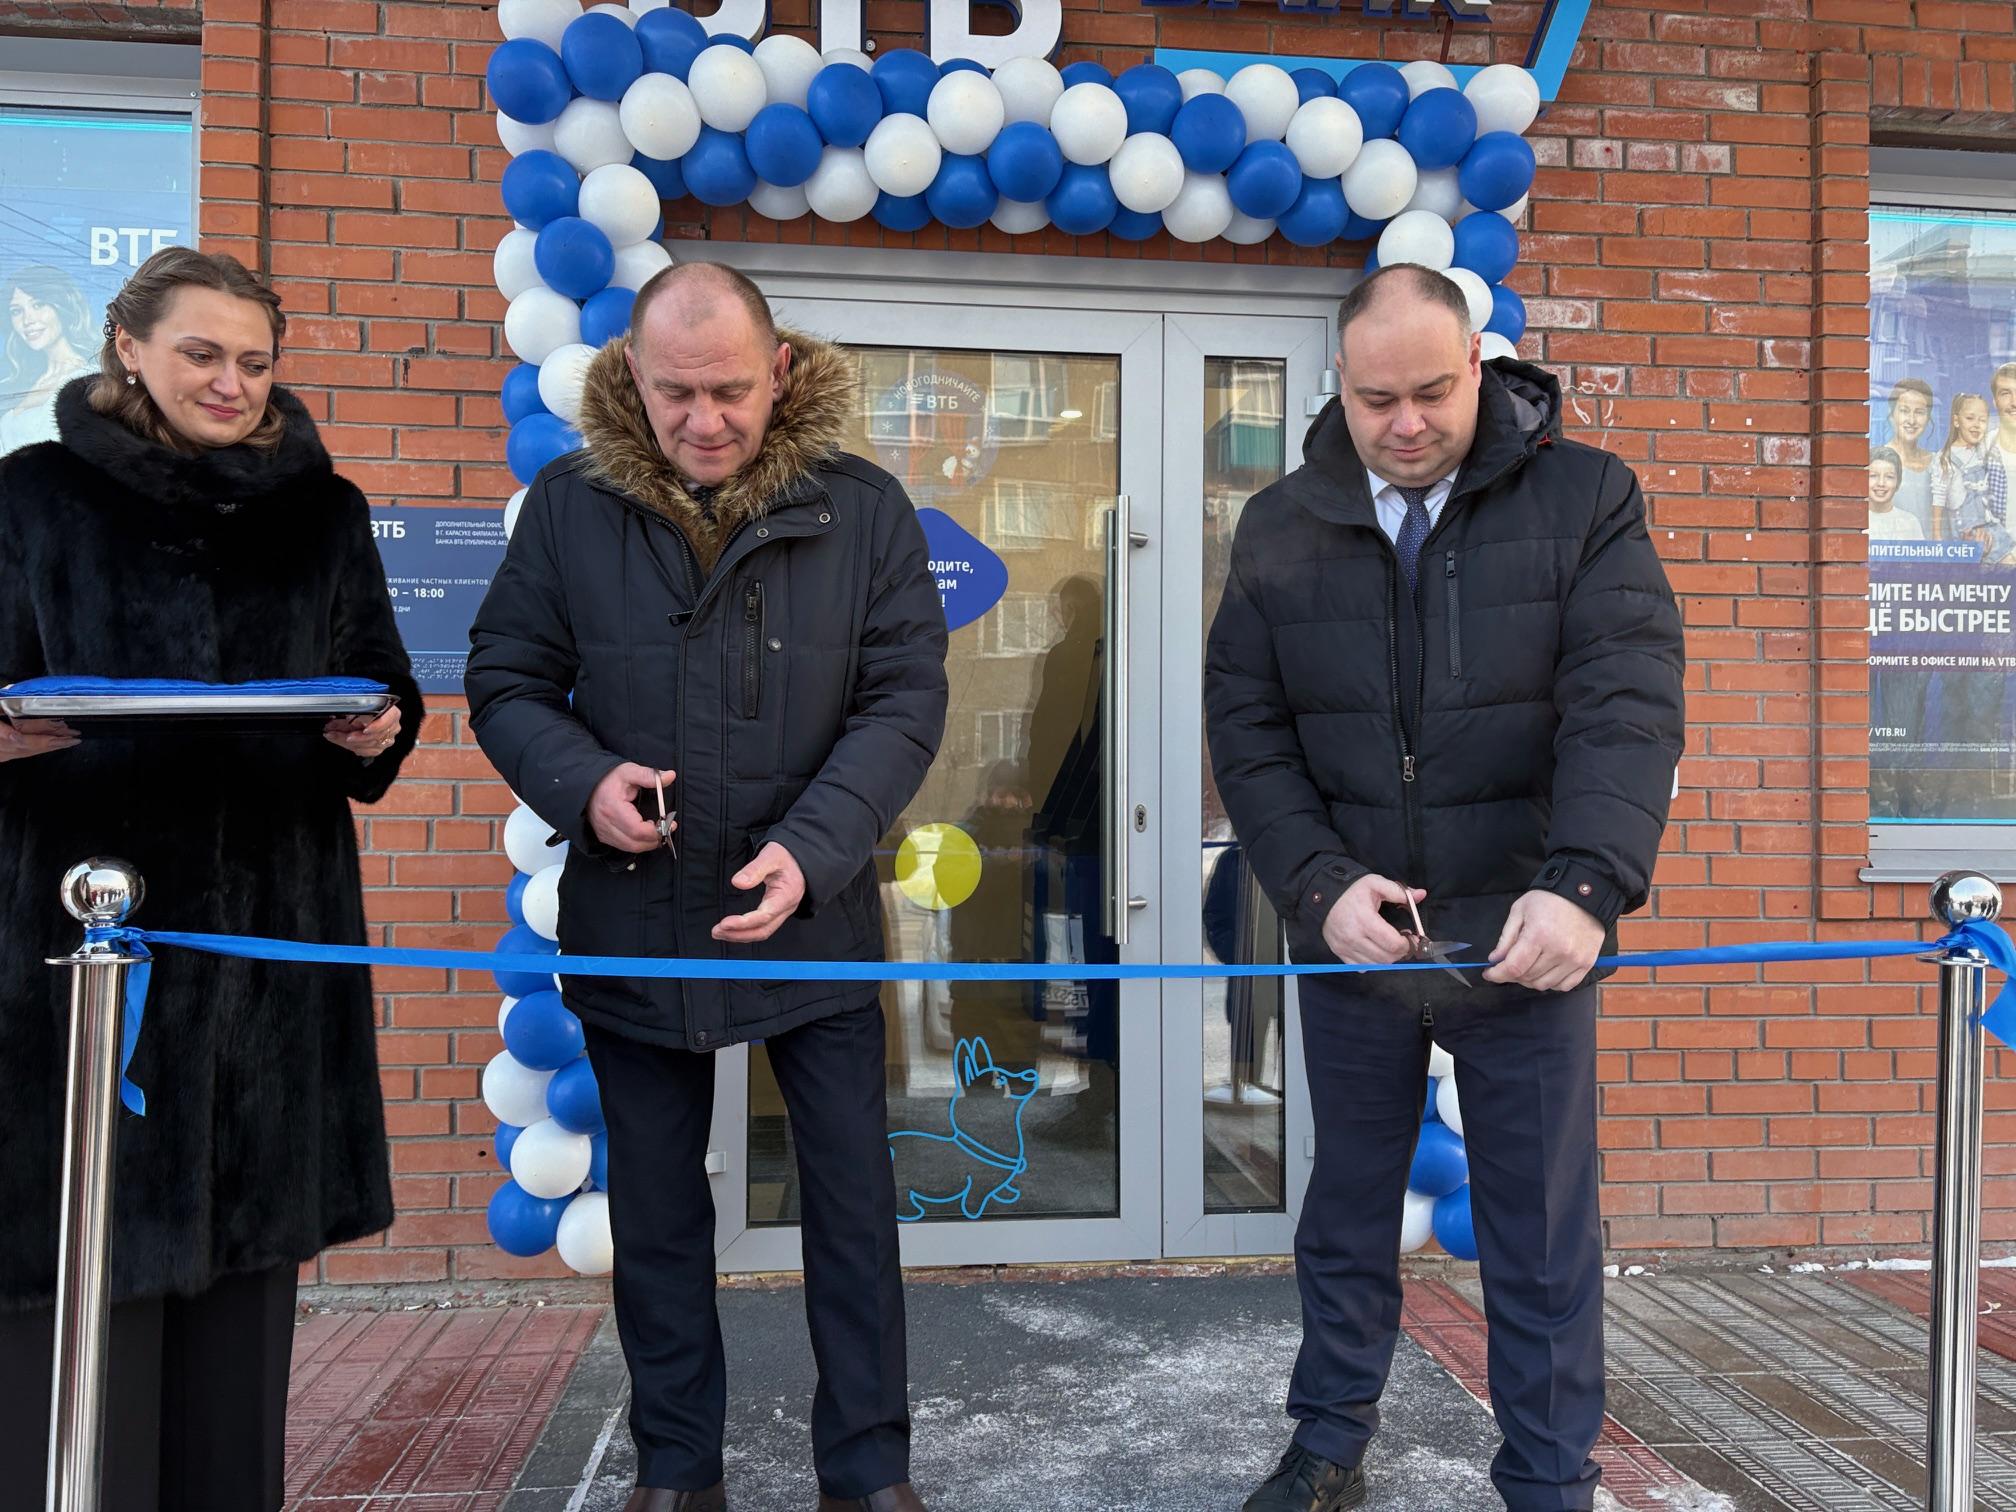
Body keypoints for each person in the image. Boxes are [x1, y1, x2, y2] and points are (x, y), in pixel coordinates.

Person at [466, 262, 948, 1512]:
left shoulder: (863, 508)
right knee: (659, 1219)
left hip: (816, 915)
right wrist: (584, 783)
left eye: (730, 389)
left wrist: (817, 845)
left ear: (779, 370)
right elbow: (506, 679)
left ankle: (870, 1474)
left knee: (851, 1211)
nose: (705, 419)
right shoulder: (569, 507)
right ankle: (677, 1475)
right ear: (632, 374)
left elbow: (904, 701)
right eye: (676, 392)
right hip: (638, 915)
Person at [1204, 264, 1684, 1512]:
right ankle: (1328, 1444)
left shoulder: (1587, 499)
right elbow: (1249, 732)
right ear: (1341, 386)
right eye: (1377, 401)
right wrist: (1317, 887)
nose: (1406, 423)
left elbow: (1626, 706)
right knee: (1346, 1210)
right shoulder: (1280, 524)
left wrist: (1587, 886)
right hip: (1356, 936)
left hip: (1527, 934)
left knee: (1540, 1232)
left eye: (1431, 392)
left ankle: (1549, 1478)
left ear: (1479, 365)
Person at [0, 245, 420, 1510]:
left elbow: (379, 679)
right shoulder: (32, 495)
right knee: (70, 1305)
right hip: (75, 958)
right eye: (201, 353)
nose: (231, 382)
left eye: (254, 360)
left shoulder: (324, 510)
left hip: (268, 966)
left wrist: (378, 729)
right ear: (128, 346)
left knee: (239, 1343)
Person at [0, 264, 97, 457]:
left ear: (62, 307)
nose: (28, 320)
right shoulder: (17, 383)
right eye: (16, 311)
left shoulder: (90, 381)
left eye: (38, 305)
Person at [1884, 377, 1936, 536]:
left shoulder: (1938, 463)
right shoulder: (1877, 463)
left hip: (1934, 550)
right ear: (1892, 415)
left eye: (1919, 412)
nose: (1912, 420)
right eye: (1904, 411)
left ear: (1928, 418)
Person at [1867, 446, 1925, 542]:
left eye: (1889, 477)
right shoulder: (1854, 521)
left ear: (1898, 482)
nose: (1881, 483)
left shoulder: (1910, 523)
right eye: (1873, 476)